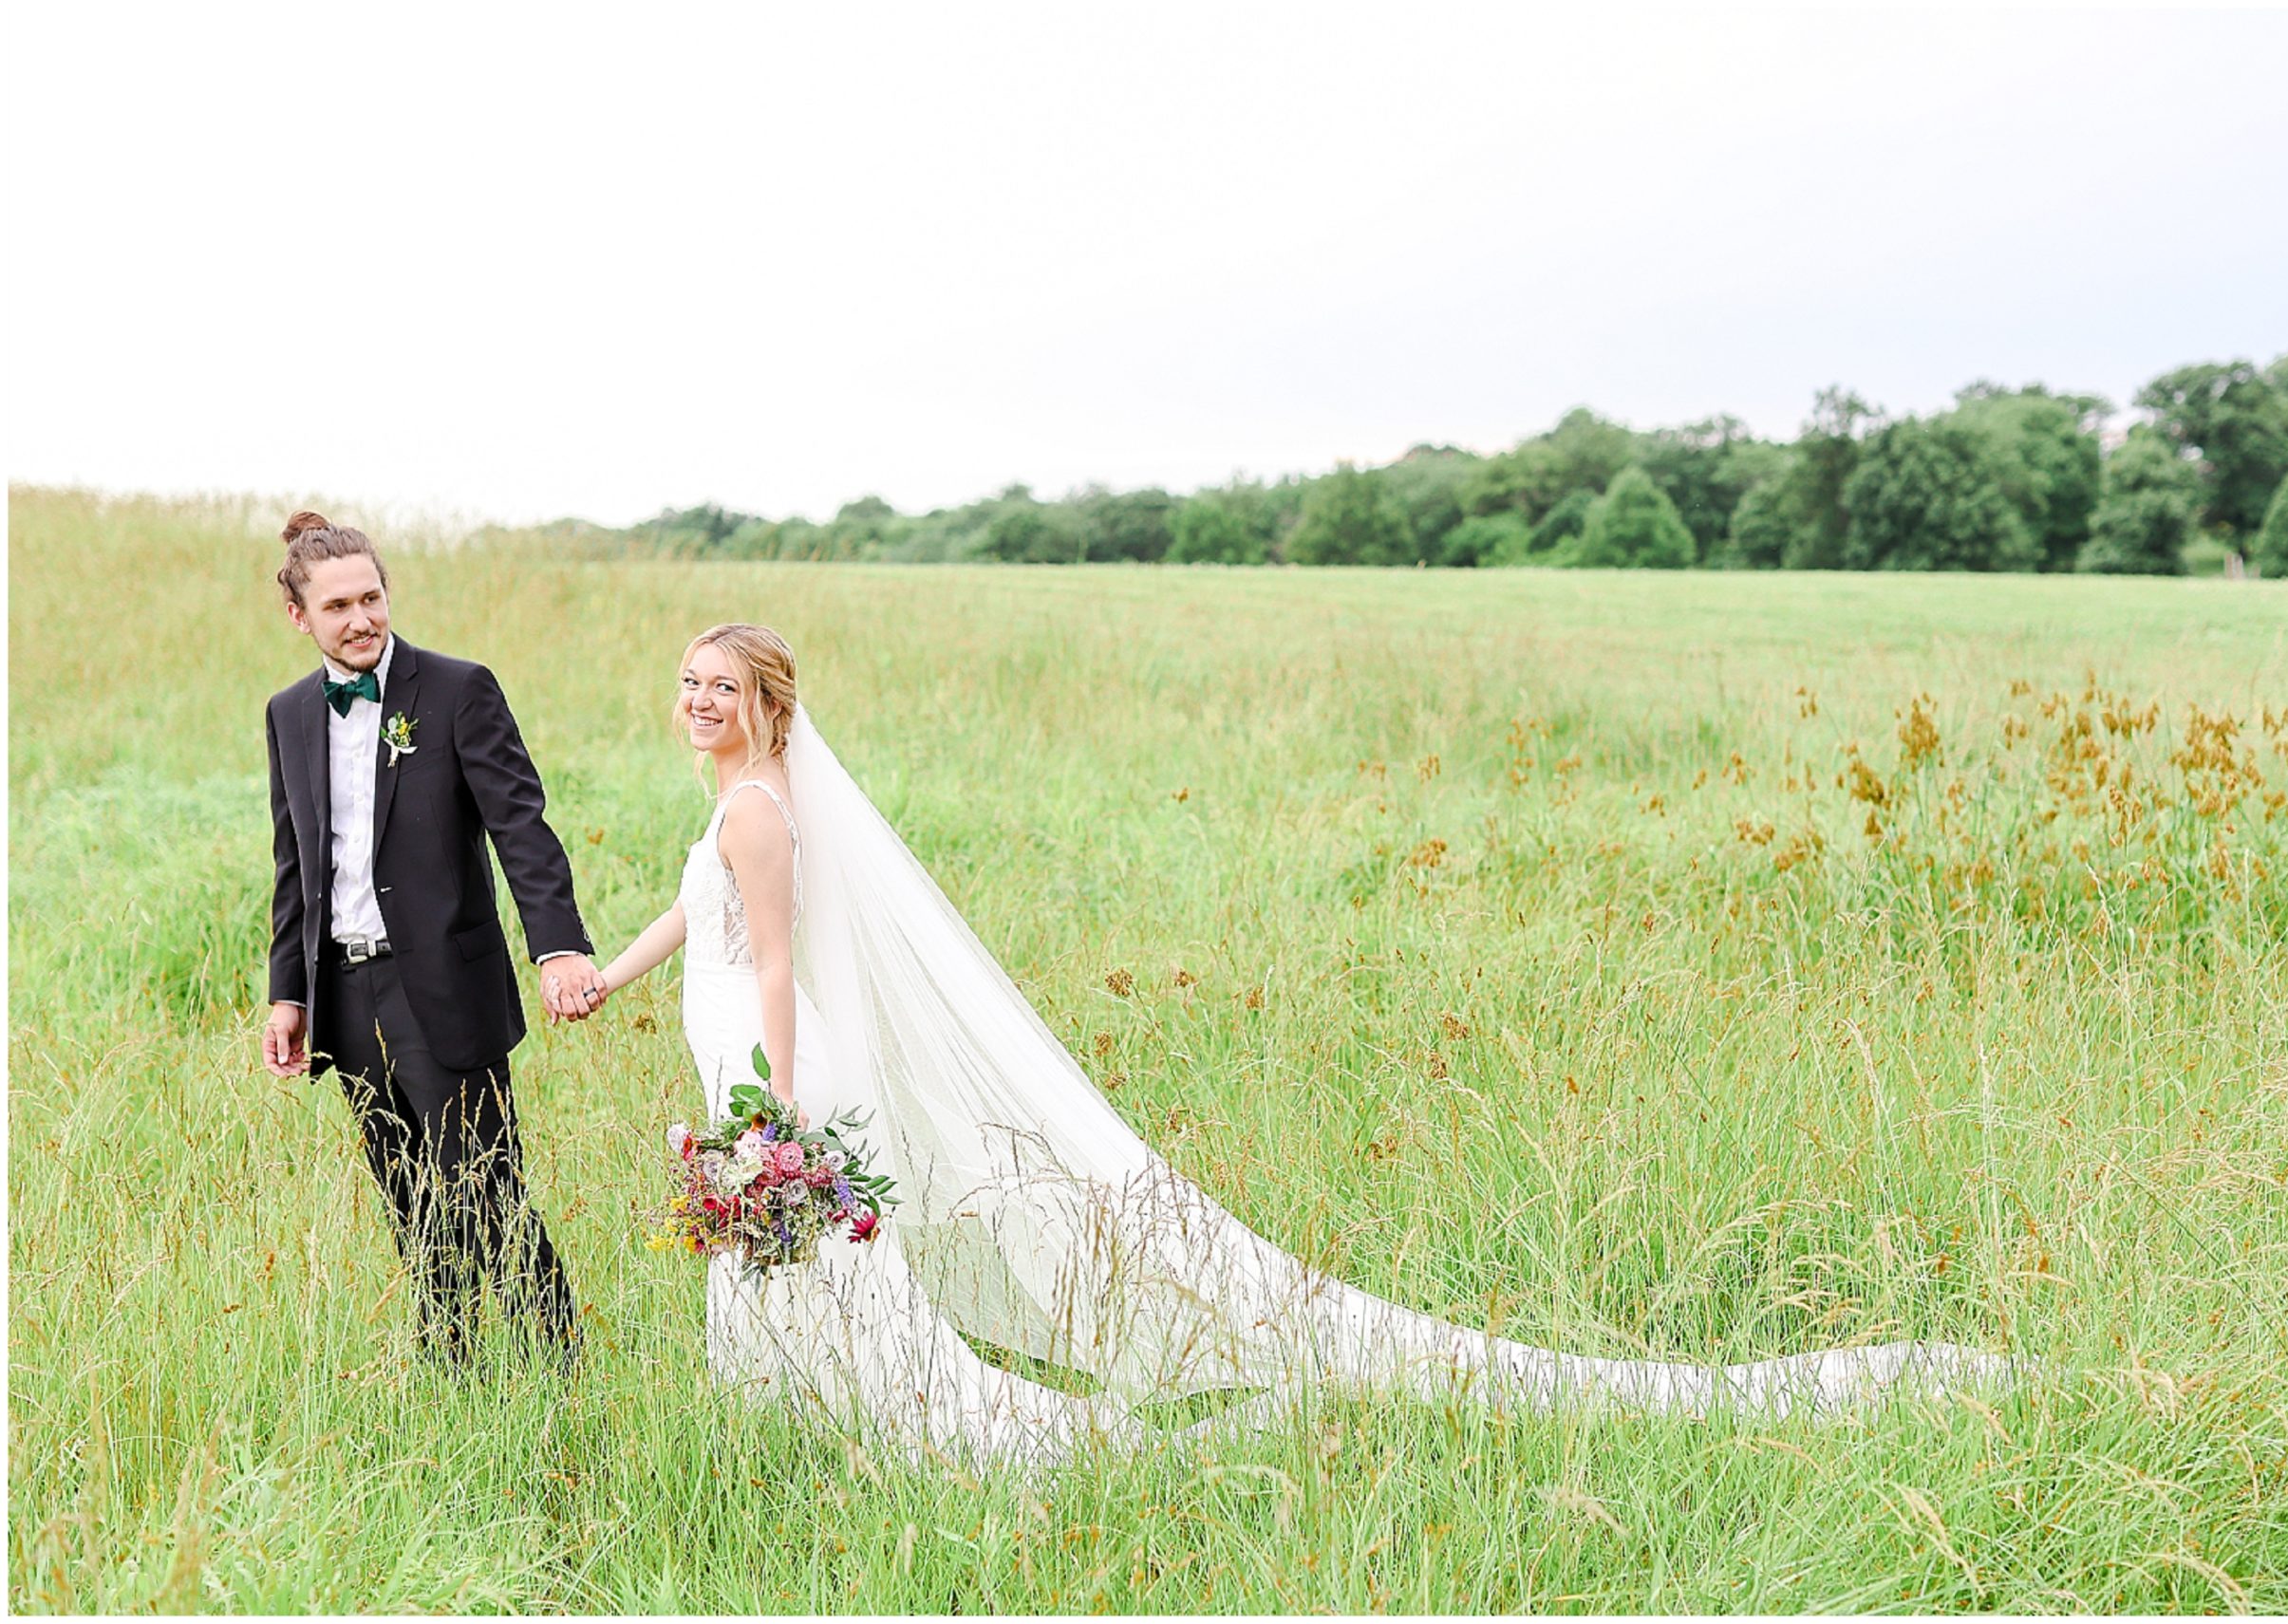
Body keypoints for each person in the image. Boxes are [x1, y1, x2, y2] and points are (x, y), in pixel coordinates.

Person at [592, 622, 2018, 1473]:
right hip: (752, 1073)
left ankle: (905, 1419)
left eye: (723, 686)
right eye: (688, 683)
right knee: (781, 1260)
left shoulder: (763, 808)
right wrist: (610, 973)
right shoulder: (740, 807)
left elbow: (772, 958)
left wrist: (769, 1106)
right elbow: (697, 916)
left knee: (814, 1253)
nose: (700, 701)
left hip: (782, 1072)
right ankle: (802, 1416)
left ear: (770, 702)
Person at [261, 512, 606, 1368]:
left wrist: (558, 945)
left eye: (371, 596)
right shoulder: (289, 713)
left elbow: (520, 827)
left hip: (443, 989)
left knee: (488, 1192)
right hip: (344, 994)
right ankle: (453, 1379)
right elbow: (295, 862)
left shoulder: (457, 690)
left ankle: (559, 1372)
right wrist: (289, 993)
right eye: (337, 605)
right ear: (300, 616)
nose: (361, 618)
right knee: (410, 1201)